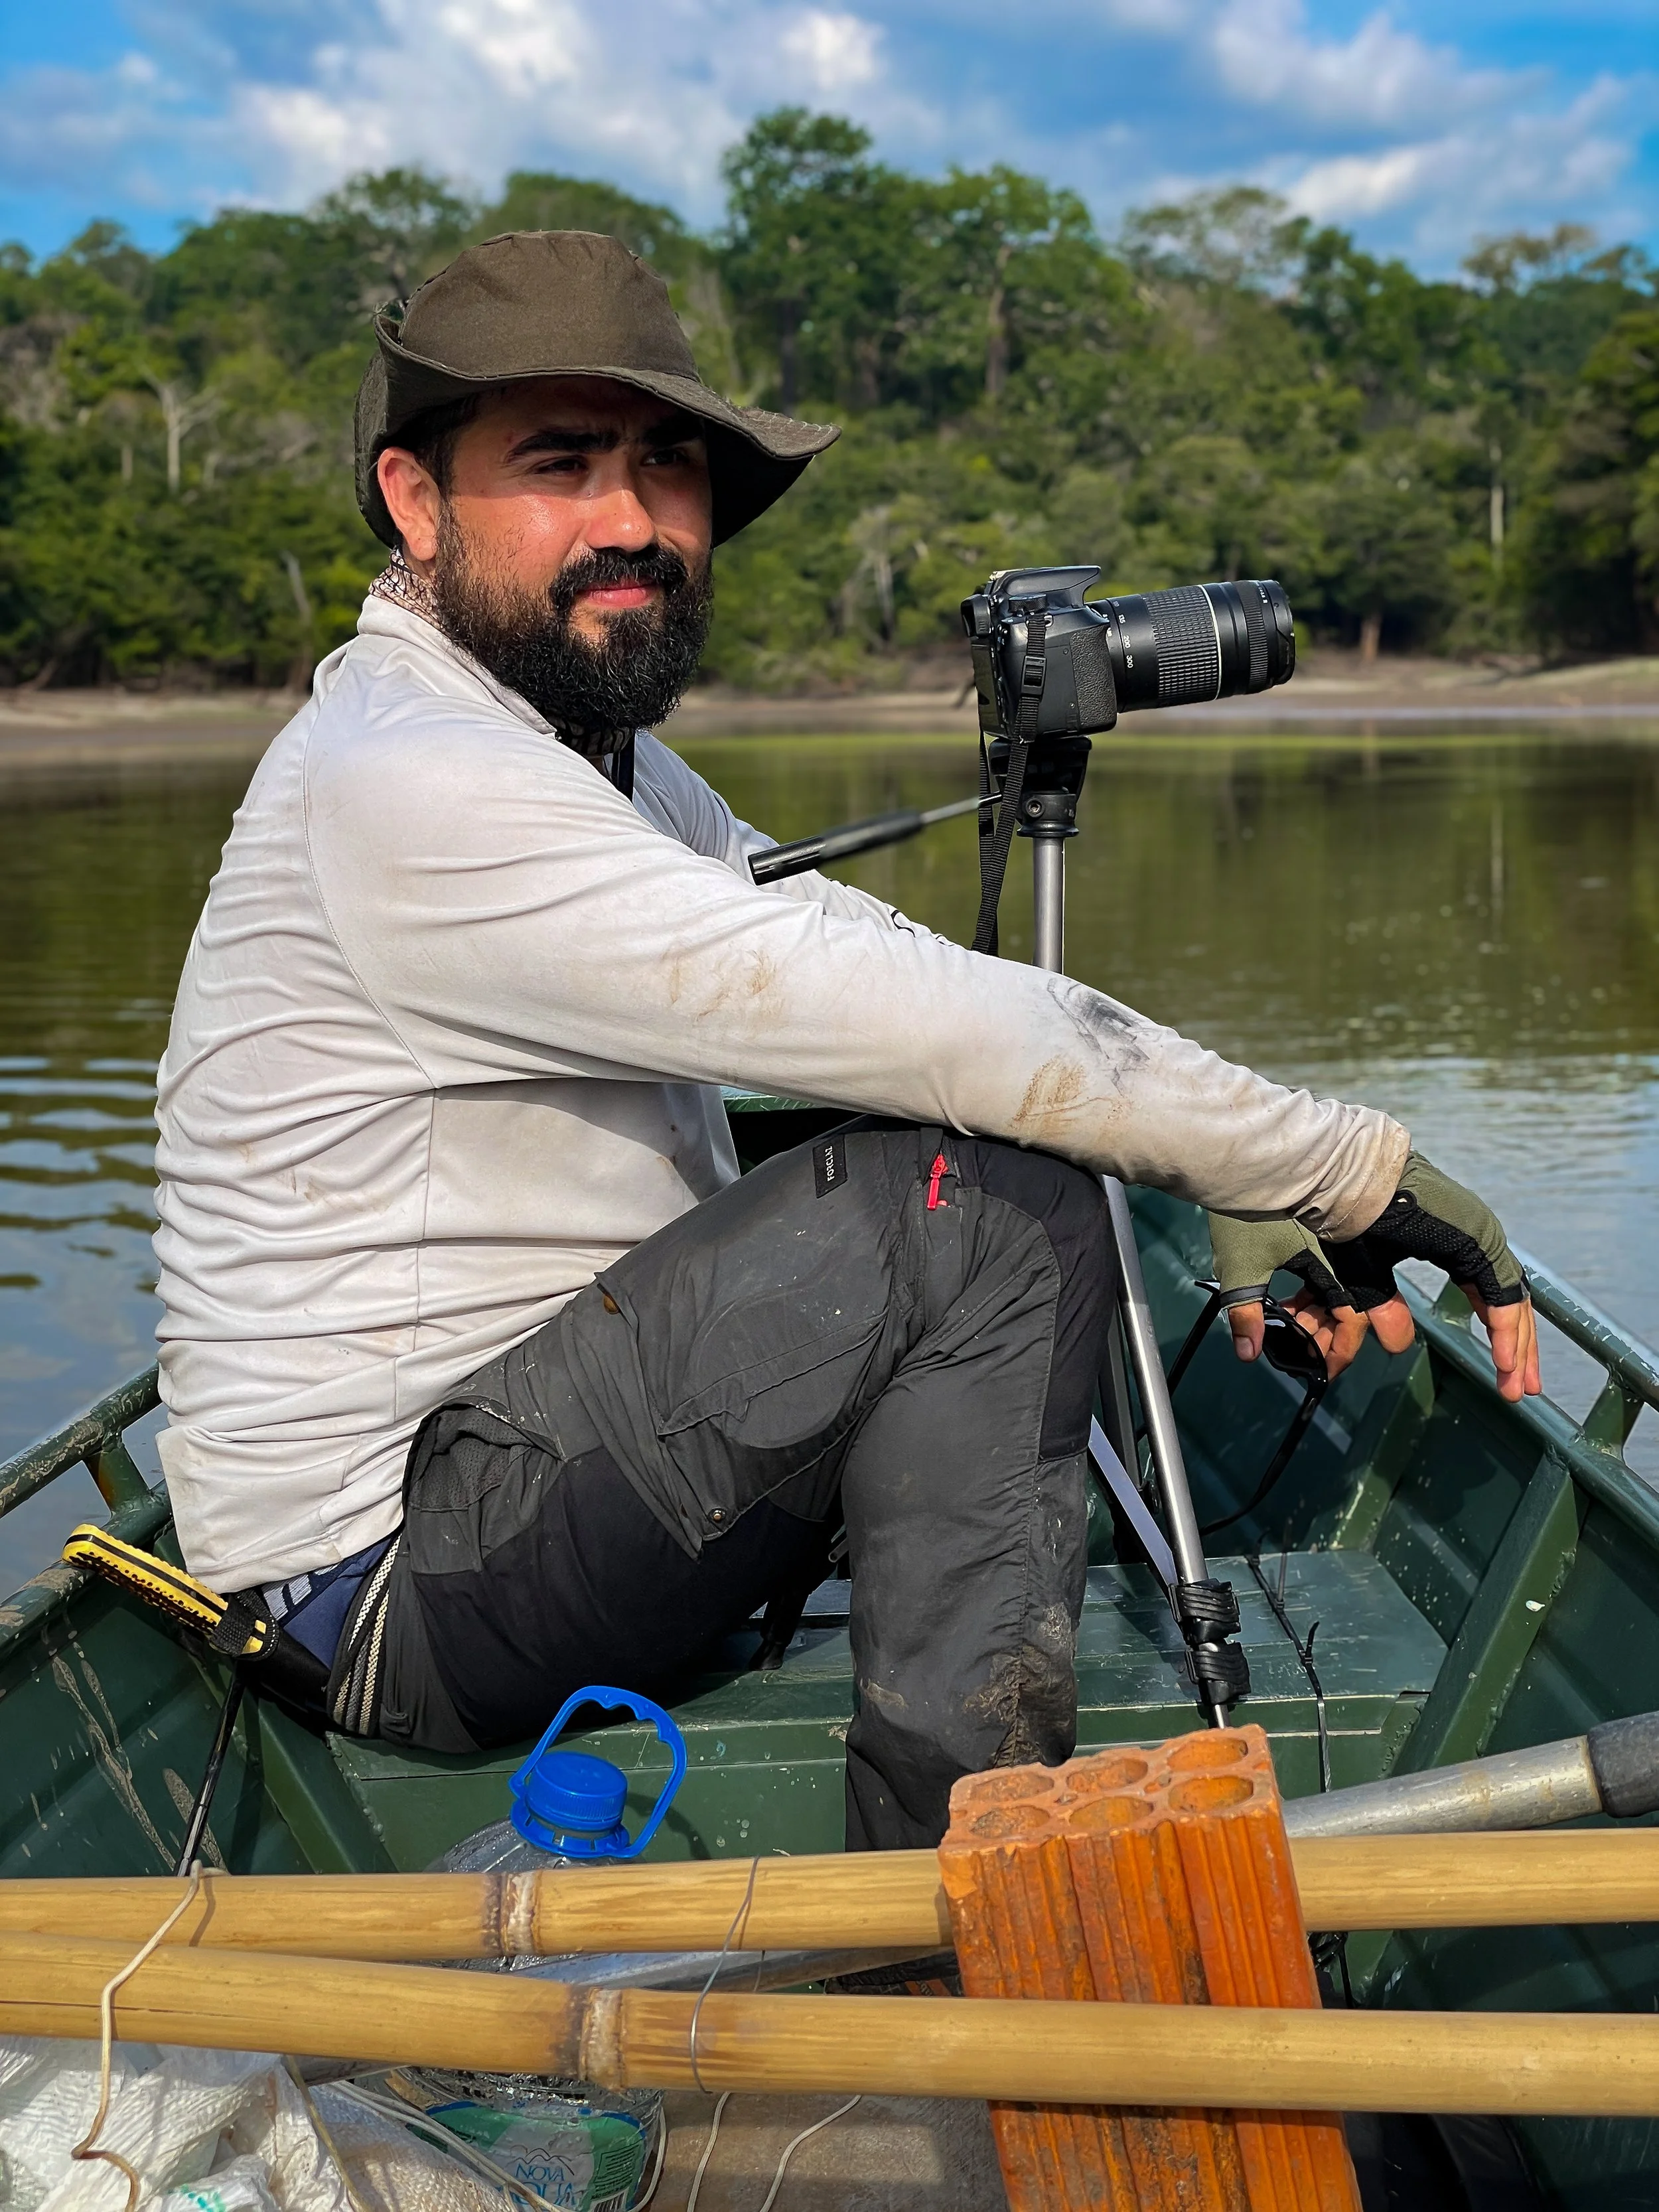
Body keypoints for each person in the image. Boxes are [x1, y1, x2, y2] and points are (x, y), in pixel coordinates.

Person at [152, 231, 1540, 1850]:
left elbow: (863, 966)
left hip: (531, 1471)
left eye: (664, 465)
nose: (631, 520)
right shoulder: (408, 775)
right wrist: (1334, 1167)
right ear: (414, 499)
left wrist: (1206, 1161)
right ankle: (954, 1883)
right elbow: (937, 1024)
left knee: (1003, 1146)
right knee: (984, 1213)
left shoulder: (578, 753)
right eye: (558, 463)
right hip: (391, 1580)